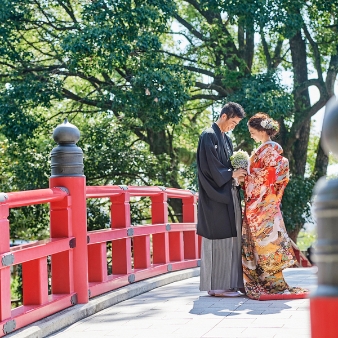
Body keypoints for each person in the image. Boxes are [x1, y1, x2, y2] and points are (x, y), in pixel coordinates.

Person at [242, 113, 309, 300]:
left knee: (268, 242)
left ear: (262, 131)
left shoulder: (270, 150)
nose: (251, 135)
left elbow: (269, 177)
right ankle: (267, 279)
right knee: (263, 242)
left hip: (263, 204)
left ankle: (273, 282)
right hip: (261, 204)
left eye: (252, 132)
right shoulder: (264, 149)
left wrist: (246, 177)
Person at [197, 102, 247, 297]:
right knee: (218, 238)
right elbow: (210, 169)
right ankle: (216, 286)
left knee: (231, 238)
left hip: (227, 193)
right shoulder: (208, 135)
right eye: (232, 122)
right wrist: (231, 174)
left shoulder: (226, 139)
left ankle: (228, 283)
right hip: (214, 197)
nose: (233, 126)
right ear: (224, 116)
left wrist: (237, 175)